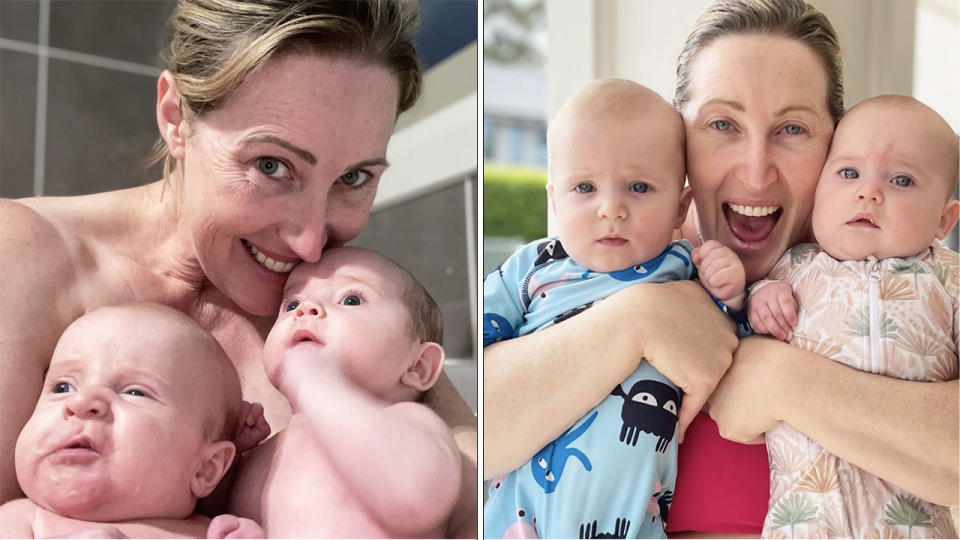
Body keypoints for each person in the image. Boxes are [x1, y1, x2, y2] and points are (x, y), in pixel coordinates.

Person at [0, 0, 477, 536]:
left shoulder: (338, 315)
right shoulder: (20, 258)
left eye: (354, 179)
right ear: (176, 118)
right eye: (271, 166)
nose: (311, 241)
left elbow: (473, 491)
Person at [484, 0, 957, 537]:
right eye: (722, 124)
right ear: (679, 136)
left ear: (834, 140)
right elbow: (480, 431)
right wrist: (639, 318)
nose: (756, 171)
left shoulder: (915, 278)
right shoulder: (591, 262)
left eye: (793, 129)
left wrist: (777, 379)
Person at [483, 79, 746, 538]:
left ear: (680, 205)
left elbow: (726, 346)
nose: (611, 208)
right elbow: (475, 348)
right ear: (554, 199)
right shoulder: (530, 268)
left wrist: (737, 294)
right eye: (584, 187)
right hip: (517, 522)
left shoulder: (686, 271)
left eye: (639, 187)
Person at [745, 95, 959, 538]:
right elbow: (750, 329)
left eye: (901, 180)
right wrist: (763, 297)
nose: (868, 191)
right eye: (848, 173)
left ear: (945, 218)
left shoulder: (948, 280)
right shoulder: (794, 268)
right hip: (803, 525)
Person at [227, 246, 461, 537]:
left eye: (351, 299)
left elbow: (416, 494)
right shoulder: (262, 454)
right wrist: (228, 463)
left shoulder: (411, 424)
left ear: (419, 367)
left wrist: (320, 384)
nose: (305, 309)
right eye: (290, 304)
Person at [0, 304, 265, 538]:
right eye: (62, 388)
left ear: (205, 469)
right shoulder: (22, 520)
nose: (81, 403)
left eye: (134, 392)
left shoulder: (215, 531)